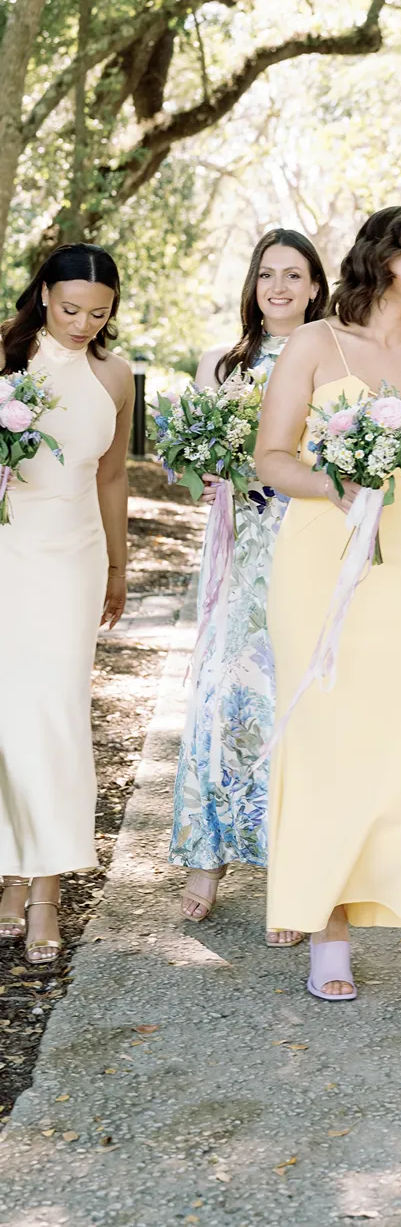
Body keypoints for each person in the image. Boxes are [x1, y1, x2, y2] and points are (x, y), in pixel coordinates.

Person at [256, 206, 401, 1009]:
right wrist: (338, 486)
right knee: (326, 740)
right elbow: (272, 456)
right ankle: (329, 931)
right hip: (318, 555)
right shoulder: (315, 344)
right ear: (383, 256)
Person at [170, 229, 330, 941]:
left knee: (289, 693)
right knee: (223, 689)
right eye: (268, 274)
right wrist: (205, 477)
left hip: (302, 538)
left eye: (294, 275)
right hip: (240, 547)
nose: (279, 288)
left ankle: (292, 875)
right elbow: (197, 455)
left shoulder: (329, 361)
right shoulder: (221, 363)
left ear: (317, 287)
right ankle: (207, 858)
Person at [0, 245, 134, 963]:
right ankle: (10, 876)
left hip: (72, 557)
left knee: (53, 712)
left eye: (99, 313)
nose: (83, 323)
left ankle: (46, 887)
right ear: (45, 293)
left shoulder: (114, 376)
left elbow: (111, 476)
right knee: (4, 714)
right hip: (5, 547)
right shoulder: (4, 354)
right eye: (70, 309)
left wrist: (118, 561)